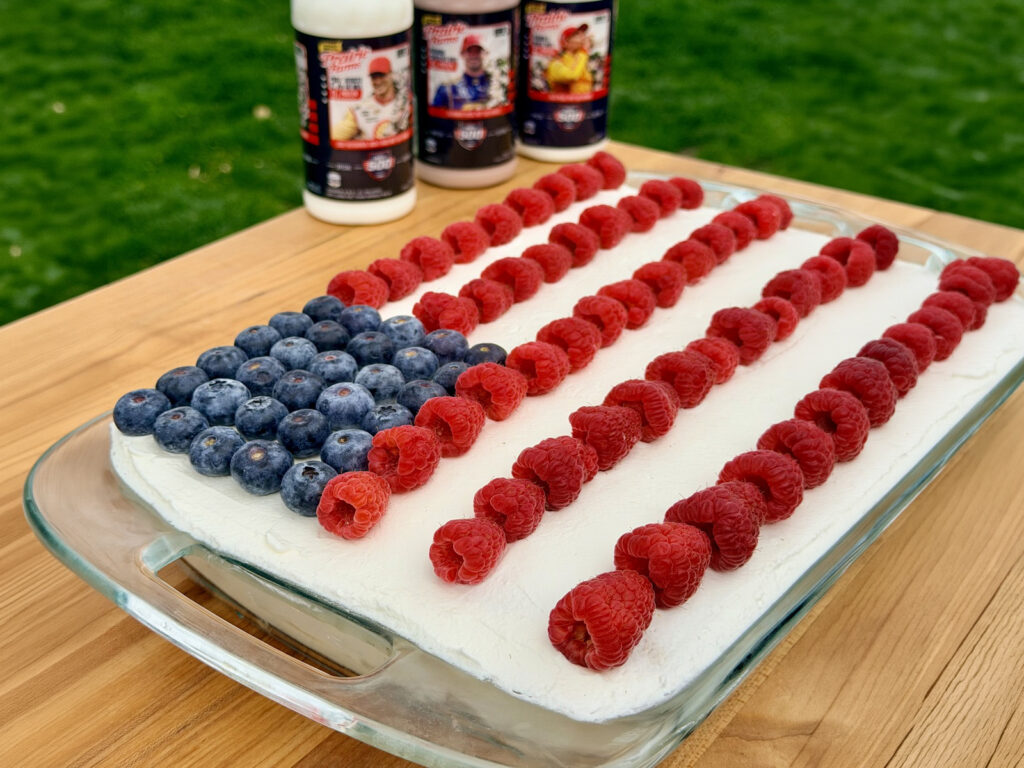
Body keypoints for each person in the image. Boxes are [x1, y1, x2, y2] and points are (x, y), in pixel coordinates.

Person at [333, 57, 409, 141]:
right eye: (374, 77)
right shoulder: (359, 110)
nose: (378, 81)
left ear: (391, 74)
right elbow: (333, 136)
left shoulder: (406, 103)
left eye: (382, 76)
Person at [431, 35, 493, 111]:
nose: (473, 55)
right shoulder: (447, 88)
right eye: (469, 51)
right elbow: (435, 116)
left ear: (486, 54)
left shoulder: (497, 85)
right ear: (462, 54)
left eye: (478, 51)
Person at [544, 24, 592, 94]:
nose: (583, 37)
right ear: (566, 42)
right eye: (577, 35)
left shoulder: (579, 59)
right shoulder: (555, 63)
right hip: (560, 104)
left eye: (583, 34)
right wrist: (583, 51)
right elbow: (572, 76)